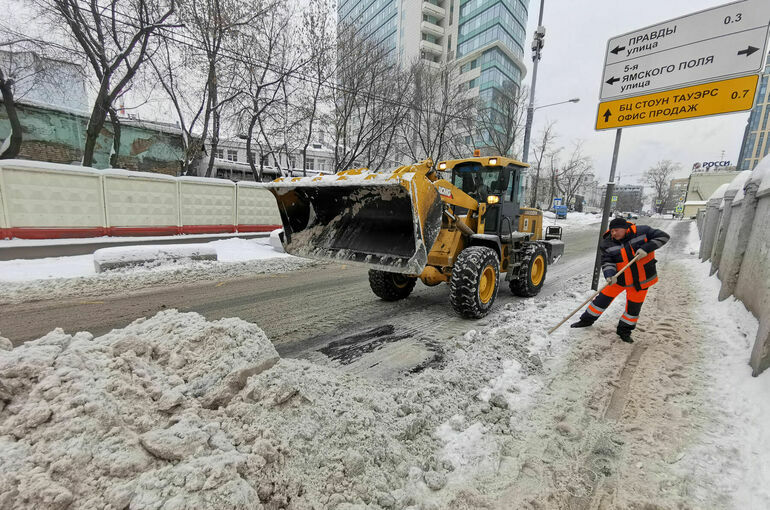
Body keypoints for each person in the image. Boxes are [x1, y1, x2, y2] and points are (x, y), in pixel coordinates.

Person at [571, 217, 670, 343]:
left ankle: (624, 331)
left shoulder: (642, 231)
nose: (614, 233)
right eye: (612, 231)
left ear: (625, 228)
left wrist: (646, 248)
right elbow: (607, 262)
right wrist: (609, 275)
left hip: (640, 280)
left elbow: (663, 236)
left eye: (616, 230)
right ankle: (586, 321)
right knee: (600, 301)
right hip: (619, 278)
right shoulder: (607, 243)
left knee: (633, 309)